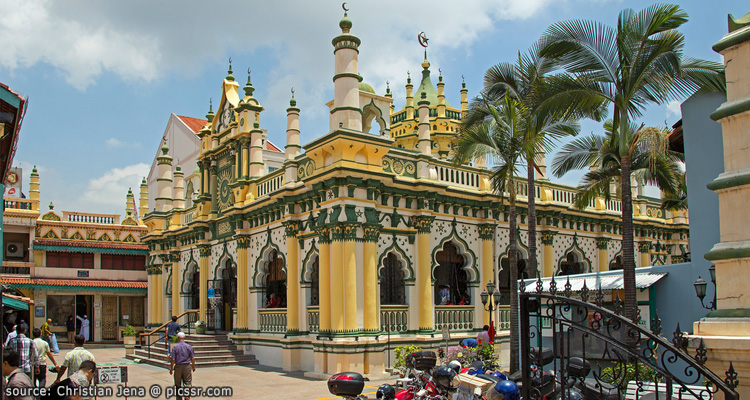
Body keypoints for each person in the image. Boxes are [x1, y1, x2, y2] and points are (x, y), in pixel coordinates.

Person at [169, 332, 195, 400]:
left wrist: (171, 368)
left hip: (178, 366)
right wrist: (193, 366)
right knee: (188, 382)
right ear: (184, 338)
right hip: (187, 366)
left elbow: (173, 359)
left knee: (178, 384)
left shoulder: (175, 347)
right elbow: (192, 358)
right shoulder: (189, 346)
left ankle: (179, 398)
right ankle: (187, 396)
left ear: (178, 338)